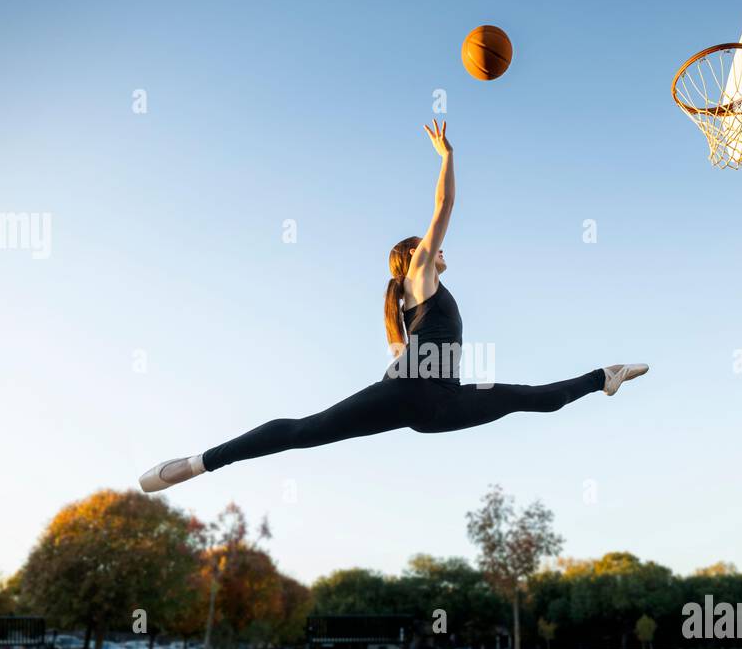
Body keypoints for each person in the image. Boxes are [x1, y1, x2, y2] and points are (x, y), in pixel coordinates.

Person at [140, 120, 647, 492]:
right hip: (412, 392)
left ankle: (604, 375)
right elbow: (444, 208)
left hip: (438, 403)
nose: (439, 251)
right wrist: (446, 156)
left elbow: (401, 351)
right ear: (411, 259)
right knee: (304, 430)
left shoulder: (404, 306)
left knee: (530, 397)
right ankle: (197, 463)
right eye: (428, 248)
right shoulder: (418, 279)